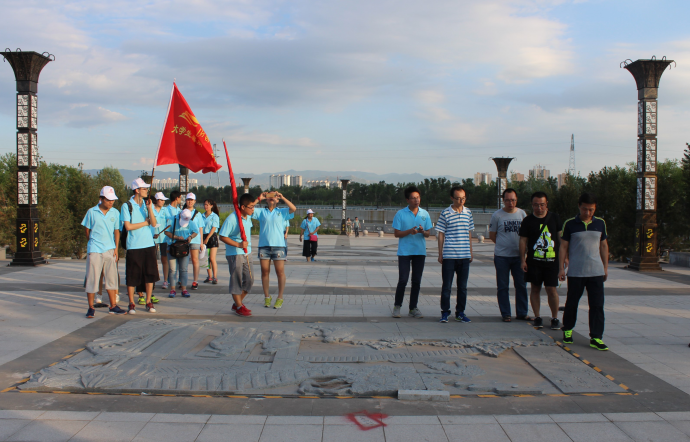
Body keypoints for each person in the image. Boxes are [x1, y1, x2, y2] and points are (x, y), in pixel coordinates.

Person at [559, 193, 609, 351]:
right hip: (576, 272)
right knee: (572, 302)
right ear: (579, 206)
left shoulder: (600, 223)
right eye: (585, 209)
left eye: (591, 209)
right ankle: (568, 330)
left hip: (596, 271)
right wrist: (561, 268)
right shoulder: (570, 224)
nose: (588, 213)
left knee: (597, 305)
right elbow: (563, 247)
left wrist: (605, 267)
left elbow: (603, 246)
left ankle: (596, 337)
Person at [82, 186, 127, 318]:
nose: (111, 202)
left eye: (113, 200)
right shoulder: (91, 212)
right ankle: (91, 307)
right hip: (95, 249)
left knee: (111, 278)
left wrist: (116, 248)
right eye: (108, 200)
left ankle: (113, 306)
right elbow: (87, 230)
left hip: (110, 249)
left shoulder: (115, 212)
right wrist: (92, 243)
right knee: (92, 278)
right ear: (101, 199)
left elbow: (116, 231)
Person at [519, 191, 562, 329]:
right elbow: (523, 241)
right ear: (532, 205)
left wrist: (565, 258)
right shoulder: (528, 221)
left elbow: (561, 240)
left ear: (546, 204)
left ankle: (555, 317)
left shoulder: (555, 218)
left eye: (542, 205)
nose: (539, 208)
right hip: (534, 261)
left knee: (551, 289)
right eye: (536, 205)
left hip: (552, 262)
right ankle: (537, 317)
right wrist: (522, 260)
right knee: (535, 288)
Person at [392, 186, 432, 319]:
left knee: (416, 281)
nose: (416, 200)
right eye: (413, 198)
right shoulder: (400, 214)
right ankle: (397, 306)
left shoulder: (424, 214)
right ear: (407, 200)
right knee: (403, 280)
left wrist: (422, 231)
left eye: (418, 197)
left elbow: (428, 233)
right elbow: (397, 233)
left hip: (419, 252)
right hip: (404, 252)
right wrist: (410, 231)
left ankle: (413, 308)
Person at [252, 191, 296, 309]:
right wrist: (259, 198)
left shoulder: (282, 212)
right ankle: (267, 296)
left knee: (280, 272)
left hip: (278, 246)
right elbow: (249, 208)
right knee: (264, 272)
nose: (272, 198)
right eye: (269, 196)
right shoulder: (261, 212)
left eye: (274, 196)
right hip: (264, 246)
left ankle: (280, 297)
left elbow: (293, 208)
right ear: (266, 199)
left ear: (277, 200)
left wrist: (283, 197)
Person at [120, 178, 159, 314]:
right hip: (134, 245)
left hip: (148, 244)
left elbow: (153, 223)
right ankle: (131, 303)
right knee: (132, 275)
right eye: (144, 189)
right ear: (137, 190)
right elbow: (128, 226)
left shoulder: (147, 205)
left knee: (150, 275)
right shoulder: (127, 206)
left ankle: (148, 301)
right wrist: (144, 223)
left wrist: (150, 209)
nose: (146, 191)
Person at [436, 186, 474, 323]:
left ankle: (460, 312)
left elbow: (469, 233)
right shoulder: (445, 213)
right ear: (452, 198)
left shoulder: (468, 212)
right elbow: (441, 234)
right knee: (447, 286)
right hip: (449, 255)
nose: (461, 201)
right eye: (458, 198)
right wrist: (440, 253)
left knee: (462, 287)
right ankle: (445, 312)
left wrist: (471, 251)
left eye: (463, 198)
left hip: (464, 256)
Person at [490, 188, 528, 322]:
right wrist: (503, 245)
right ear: (503, 200)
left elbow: (526, 235)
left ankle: (522, 312)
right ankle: (506, 313)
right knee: (503, 286)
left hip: (519, 256)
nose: (510, 203)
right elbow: (492, 235)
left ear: (516, 200)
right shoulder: (497, 215)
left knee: (521, 285)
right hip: (502, 256)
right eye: (507, 200)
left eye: (513, 200)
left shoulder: (522, 214)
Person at [219, 194, 256, 317]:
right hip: (235, 254)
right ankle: (239, 306)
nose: (253, 209)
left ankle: (237, 303)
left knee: (250, 280)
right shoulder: (232, 219)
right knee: (237, 280)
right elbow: (222, 236)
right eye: (251, 207)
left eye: (254, 206)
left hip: (247, 253)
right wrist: (238, 245)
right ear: (243, 207)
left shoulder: (248, 217)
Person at [164, 209, 198, 298]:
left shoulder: (190, 221)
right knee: (172, 270)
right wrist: (176, 237)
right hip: (172, 247)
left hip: (184, 247)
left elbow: (196, 231)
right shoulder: (172, 220)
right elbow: (166, 232)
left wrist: (190, 237)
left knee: (184, 269)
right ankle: (172, 289)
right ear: (180, 216)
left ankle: (184, 289)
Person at [183, 193, 204, 290]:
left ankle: (195, 281)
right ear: (186, 201)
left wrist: (201, 242)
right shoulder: (182, 212)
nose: (190, 202)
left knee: (195, 260)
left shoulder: (198, 214)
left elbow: (200, 228)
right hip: (184, 239)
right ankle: (182, 280)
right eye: (188, 200)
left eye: (192, 200)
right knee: (184, 261)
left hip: (195, 240)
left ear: (194, 201)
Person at [162, 190, 182, 289]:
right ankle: (167, 280)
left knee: (178, 260)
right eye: (180, 198)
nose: (180, 200)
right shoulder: (166, 210)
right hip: (168, 239)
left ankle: (177, 280)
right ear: (177, 198)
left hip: (178, 239)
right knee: (169, 261)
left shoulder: (180, 210)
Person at [151, 192, 169, 297]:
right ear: (156, 200)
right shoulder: (151, 209)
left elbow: (169, 222)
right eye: (161, 200)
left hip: (163, 238)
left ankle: (165, 280)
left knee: (164, 259)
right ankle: (152, 280)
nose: (162, 202)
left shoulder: (165, 210)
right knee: (152, 260)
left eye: (163, 200)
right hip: (152, 238)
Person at [202, 199, 220, 284]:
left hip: (212, 237)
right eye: (205, 204)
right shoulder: (201, 216)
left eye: (207, 205)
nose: (206, 206)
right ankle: (209, 276)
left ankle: (215, 277)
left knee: (212, 258)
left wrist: (207, 238)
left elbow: (214, 228)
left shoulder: (214, 216)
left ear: (211, 206)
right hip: (203, 236)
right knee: (206, 258)